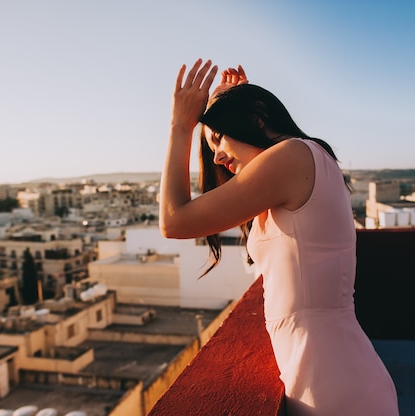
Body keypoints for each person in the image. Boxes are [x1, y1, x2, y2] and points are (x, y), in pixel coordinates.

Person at [160, 58, 399, 416]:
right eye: (211, 147)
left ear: (258, 116)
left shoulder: (294, 157)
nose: (218, 154)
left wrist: (181, 125)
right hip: (334, 376)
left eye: (220, 137)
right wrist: (232, 102)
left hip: (333, 388)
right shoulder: (303, 163)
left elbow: (174, 221)